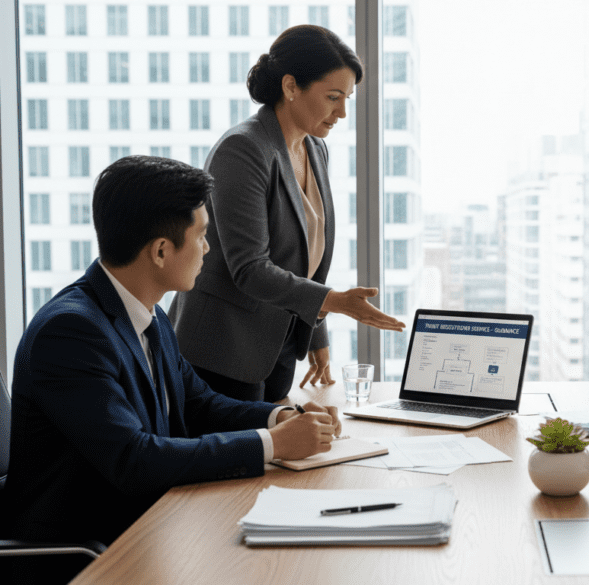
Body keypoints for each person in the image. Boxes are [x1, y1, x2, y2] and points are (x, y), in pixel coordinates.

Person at [3, 156, 343, 584]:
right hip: (87, 554)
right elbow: (134, 460)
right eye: (201, 236)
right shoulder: (71, 333)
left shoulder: (149, 314)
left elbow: (200, 404)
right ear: (161, 250)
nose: (208, 249)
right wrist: (272, 444)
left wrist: (282, 418)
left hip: (150, 525)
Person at [168, 25, 404, 403]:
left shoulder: (314, 148)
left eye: (347, 98)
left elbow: (306, 257)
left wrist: (315, 332)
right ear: (291, 87)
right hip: (220, 352)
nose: (342, 112)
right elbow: (250, 268)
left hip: (273, 347)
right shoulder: (243, 150)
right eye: (332, 97)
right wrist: (337, 301)